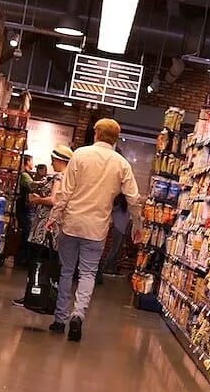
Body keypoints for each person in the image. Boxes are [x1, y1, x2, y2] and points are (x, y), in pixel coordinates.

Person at [47, 118, 142, 342]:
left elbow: (65, 192)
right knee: (88, 273)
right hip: (97, 228)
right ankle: (78, 314)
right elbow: (133, 198)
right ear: (115, 138)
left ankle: (60, 320)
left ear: (96, 134)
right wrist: (137, 224)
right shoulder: (122, 164)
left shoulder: (80, 155)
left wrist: (54, 216)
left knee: (66, 272)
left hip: (71, 224)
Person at [12, 145, 73, 309]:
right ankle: (37, 296)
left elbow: (54, 200)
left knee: (38, 262)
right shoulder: (68, 177)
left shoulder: (60, 177)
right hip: (50, 225)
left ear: (61, 161)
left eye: (53, 161)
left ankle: (34, 296)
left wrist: (37, 200)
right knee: (45, 263)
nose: (52, 164)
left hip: (45, 226)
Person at [101, 194, 130, 276]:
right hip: (118, 229)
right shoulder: (120, 204)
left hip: (120, 229)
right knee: (114, 250)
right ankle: (105, 268)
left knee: (117, 251)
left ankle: (113, 269)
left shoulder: (122, 205)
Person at [15, 154, 35, 266]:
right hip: (24, 208)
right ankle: (22, 258)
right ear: (27, 162)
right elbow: (31, 186)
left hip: (24, 208)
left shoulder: (26, 175)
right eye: (32, 161)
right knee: (27, 232)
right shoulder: (24, 175)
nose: (33, 163)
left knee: (26, 232)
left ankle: (22, 258)